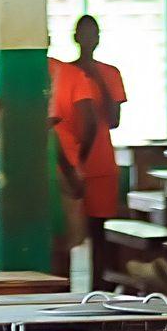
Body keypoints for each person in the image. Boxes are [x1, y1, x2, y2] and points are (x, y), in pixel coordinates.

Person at [49, 13, 128, 251]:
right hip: (69, 161)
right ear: (75, 37)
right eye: (83, 34)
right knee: (67, 232)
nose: (88, 39)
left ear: (99, 38)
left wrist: (97, 79)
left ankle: (100, 275)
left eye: (93, 34)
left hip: (100, 162)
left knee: (98, 231)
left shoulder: (111, 73)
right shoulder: (65, 73)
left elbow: (114, 120)